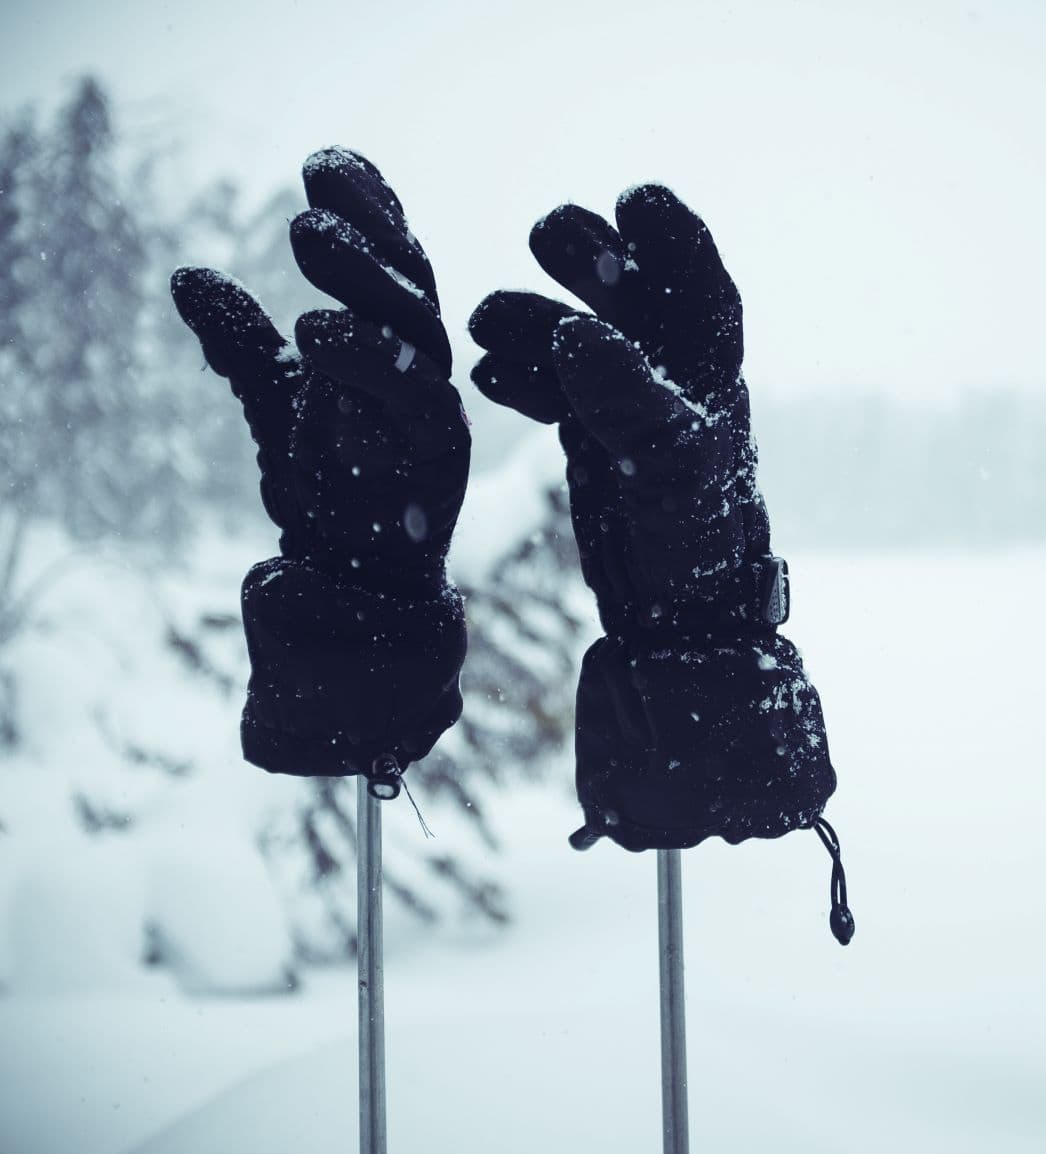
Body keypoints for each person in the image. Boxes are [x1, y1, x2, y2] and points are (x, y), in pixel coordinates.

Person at [171, 148, 851, 943]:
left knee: (662, 410)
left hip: (675, 644)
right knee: (663, 402)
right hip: (688, 648)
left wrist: (698, 606)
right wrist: (698, 599)